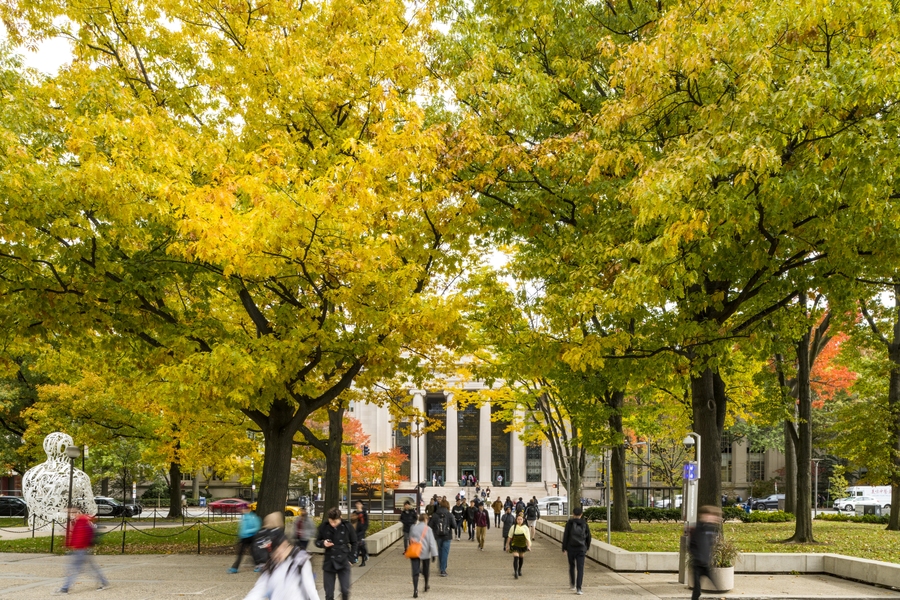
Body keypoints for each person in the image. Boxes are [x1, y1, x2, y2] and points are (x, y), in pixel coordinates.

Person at [244, 528, 319, 600]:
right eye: (274, 553)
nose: (276, 556)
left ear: (286, 544)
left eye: (279, 551)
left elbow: (311, 590)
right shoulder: (272, 567)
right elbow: (259, 589)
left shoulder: (301, 561)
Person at [56, 508, 108, 594]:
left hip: (80, 549)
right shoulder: (79, 522)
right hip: (81, 549)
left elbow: (82, 536)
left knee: (73, 569)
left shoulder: (82, 522)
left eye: (71, 512)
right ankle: (104, 582)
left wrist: (76, 546)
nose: (69, 514)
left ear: (77, 512)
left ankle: (65, 588)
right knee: (91, 568)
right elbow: (76, 535)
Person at [315, 507, 358, 600]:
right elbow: (317, 541)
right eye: (331, 521)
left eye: (335, 522)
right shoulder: (324, 526)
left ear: (340, 518)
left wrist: (351, 559)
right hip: (329, 561)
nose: (333, 524)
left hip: (344, 560)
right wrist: (323, 543)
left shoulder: (347, 526)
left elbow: (354, 542)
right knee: (329, 594)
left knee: (345, 590)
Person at [689, 505, 723, 600]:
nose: (713, 518)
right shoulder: (697, 529)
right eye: (710, 515)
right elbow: (691, 545)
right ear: (703, 516)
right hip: (697, 564)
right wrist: (697, 556)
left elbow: (710, 543)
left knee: (717, 585)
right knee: (697, 590)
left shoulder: (710, 529)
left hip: (706, 564)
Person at [562, 506, 592, 595]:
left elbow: (566, 536)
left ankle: (572, 584)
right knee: (580, 568)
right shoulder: (584, 524)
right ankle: (579, 588)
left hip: (571, 548)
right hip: (581, 549)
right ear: (581, 514)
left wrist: (564, 547)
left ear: (573, 514)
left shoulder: (569, 523)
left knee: (571, 566)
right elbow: (589, 537)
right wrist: (587, 547)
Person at [408, 513, 438, 598]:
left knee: (415, 571)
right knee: (426, 570)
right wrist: (434, 554)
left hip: (414, 552)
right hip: (425, 552)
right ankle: (426, 585)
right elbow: (431, 542)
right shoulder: (428, 529)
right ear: (425, 519)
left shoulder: (413, 527)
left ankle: (415, 590)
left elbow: (410, 539)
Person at [230, 505, 262, 573]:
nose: (242, 510)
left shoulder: (253, 517)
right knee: (240, 553)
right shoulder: (243, 517)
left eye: (243, 509)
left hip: (251, 537)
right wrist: (240, 535)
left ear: (247, 509)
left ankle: (259, 565)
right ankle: (235, 568)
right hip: (244, 538)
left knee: (253, 553)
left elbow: (257, 527)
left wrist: (247, 531)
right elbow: (242, 528)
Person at [428, 498, 453, 577]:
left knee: (440, 551)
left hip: (438, 535)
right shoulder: (449, 515)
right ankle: (443, 569)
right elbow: (455, 525)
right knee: (445, 552)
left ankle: (441, 566)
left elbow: (430, 525)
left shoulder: (435, 515)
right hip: (447, 535)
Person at [507, 513, 531, 579]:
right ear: (516, 520)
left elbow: (528, 538)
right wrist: (507, 545)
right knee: (516, 557)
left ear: (523, 520)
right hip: (515, 544)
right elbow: (509, 537)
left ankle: (519, 569)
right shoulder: (513, 527)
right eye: (518, 519)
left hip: (522, 544)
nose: (519, 520)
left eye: (521, 519)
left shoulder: (525, 528)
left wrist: (528, 546)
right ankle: (515, 572)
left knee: (521, 557)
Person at [352, 501, 369, 567]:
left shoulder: (364, 513)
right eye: (357, 504)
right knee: (358, 545)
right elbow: (352, 521)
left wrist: (364, 529)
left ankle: (362, 559)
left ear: (362, 505)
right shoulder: (354, 513)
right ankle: (358, 557)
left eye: (359, 504)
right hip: (355, 531)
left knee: (361, 545)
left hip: (361, 532)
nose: (358, 505)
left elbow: (366, 523)